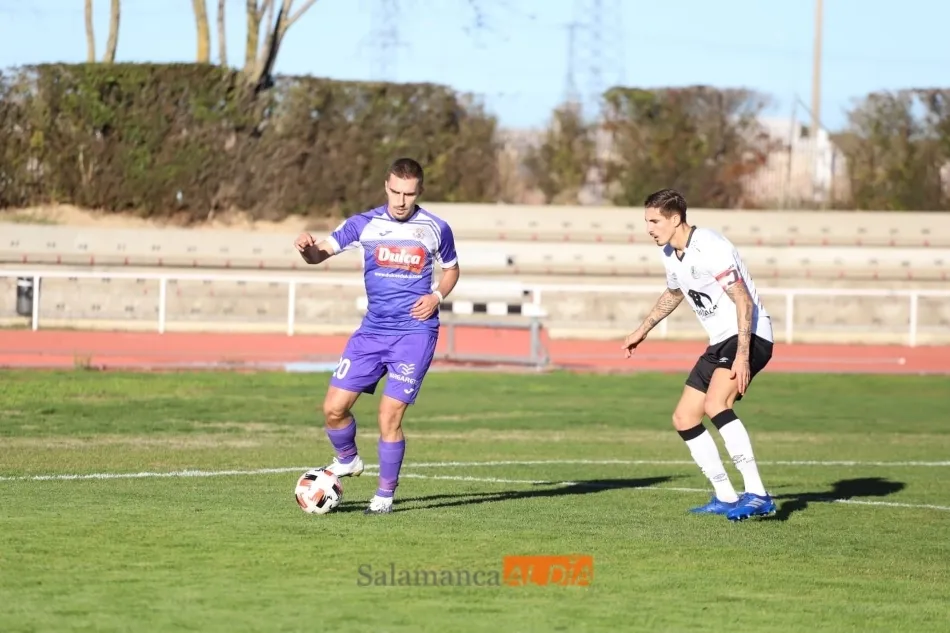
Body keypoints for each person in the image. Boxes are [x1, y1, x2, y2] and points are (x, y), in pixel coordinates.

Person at [293, 157, 460, 515]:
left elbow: (451, 270)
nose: (401, 201)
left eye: (409, 194)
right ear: (386, 186)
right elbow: (319, 253)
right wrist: (307, 248)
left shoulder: (436, 228)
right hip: (371, 332)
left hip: (414, 334)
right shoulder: (363, 224)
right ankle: (348, 459)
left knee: (389, 416)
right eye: (396, 192)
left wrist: (436, 296)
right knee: (333, 409)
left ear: (419, 191)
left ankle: (384, 496)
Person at [621, 188, 776, 521]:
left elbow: (744, 300)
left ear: (676, 219)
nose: (648, 229)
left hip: (749, 334)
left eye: (654, 221)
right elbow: (674, 292)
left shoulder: (710, 246)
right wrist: (642, 330)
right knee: (684, 418)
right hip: (720, 341)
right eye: (646, 221)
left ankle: (758, 494)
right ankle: (726, 496)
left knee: (716, 403)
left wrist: (743, 356)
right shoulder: (669, 252)